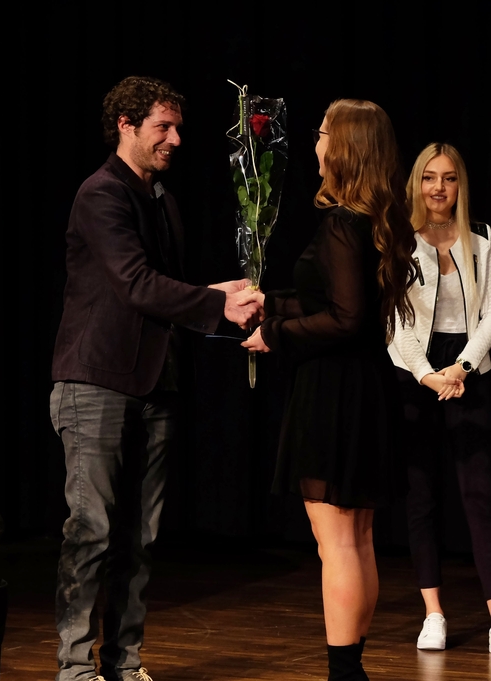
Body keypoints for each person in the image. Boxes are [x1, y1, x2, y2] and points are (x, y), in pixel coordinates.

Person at [50, 75, 259, 681]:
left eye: (177, 128)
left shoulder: (161, 198)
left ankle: (125, 664)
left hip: (154, 384)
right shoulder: (101, 194)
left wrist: (220, 294)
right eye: (162, 127)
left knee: (140, 537)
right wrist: (215, 304)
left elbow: (162, 290)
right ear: (126, 125)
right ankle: (75, 669)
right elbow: (135, 283)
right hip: (96, 382)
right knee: (91, 531)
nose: (175, 139)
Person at [241, 99, 417, 680]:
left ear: (343, 148)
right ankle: (351, 667)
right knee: (356, 538)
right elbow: (337, 303)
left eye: (321, 133)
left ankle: (343, 672)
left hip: (335, 390)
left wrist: (274, 334)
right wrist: (272, 303)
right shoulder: (374, 218)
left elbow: (346, 319)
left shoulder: (343, 221)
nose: (315, 143)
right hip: (362, 386)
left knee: (337, 542)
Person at [388, 143, 491, 653]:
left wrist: (462, 367)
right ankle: (433, 613)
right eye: (430, 177)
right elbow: (395, 319)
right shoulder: (399, 241)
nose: (438, 188)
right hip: (415, 372)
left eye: (449, 178)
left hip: (469, 370)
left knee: (480, 494)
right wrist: (428, 375)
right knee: (421, 494)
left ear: (460, 185)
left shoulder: (483, 240)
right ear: (417, 183)